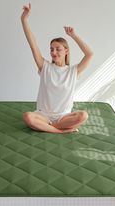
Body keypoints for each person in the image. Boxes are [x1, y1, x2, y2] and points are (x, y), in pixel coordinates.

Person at [21, 3, 93, 133]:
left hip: (63, 117)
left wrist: (73, 35)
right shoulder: (45, 67)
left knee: (83, 116)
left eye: (58, 49)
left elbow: (89, 54)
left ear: (66, 51)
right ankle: (60, 131)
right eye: (51, 49)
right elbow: (33, 44)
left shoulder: (73, 72)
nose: (54, 52)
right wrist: (24, 19)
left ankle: (50, 128)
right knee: (27, 116)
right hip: (43, 116)